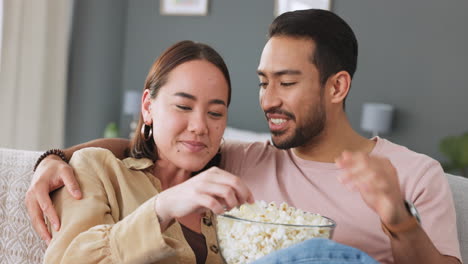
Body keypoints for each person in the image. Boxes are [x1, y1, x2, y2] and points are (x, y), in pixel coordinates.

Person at [25, 9, 461, 264]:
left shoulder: (416, 174)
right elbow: (160, 154)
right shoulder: (240, 161)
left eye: (286, 83)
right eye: (262, 82)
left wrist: (399, 221)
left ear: (336, 87)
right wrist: (53, 158)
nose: (268, 100)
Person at [37, 40, 257, 263]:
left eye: (215, 113)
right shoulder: (98, 169)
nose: (200, 127)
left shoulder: (228, 200)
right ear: (147, 107)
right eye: (183, 106)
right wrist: (162, 208)